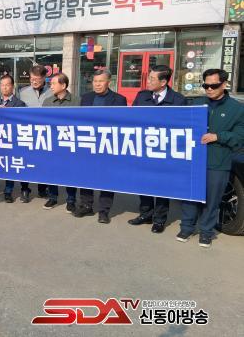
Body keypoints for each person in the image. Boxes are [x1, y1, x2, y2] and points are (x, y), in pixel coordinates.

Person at [178, 69, 244, 248]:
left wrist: (218, 136)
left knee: (213, 199)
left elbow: (240, 136)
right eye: (205, 85)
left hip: (218, 160)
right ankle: (186, 228)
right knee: (190, 195)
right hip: (194, 159)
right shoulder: (196, 104)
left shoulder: (237, 109)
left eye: (213, 86)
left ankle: (206, 232)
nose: (209, 89)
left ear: (224, 84)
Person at [128, 65, 187, 233]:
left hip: (165, 150)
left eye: (152, 79)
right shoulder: (142, 96)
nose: (148, 81)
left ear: (163, 82)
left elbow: (183, 127)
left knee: (162, 184)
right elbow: (132, 119)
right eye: (149, 77)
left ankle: (160, 219)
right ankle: (145, 213)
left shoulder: (178, 100)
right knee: (144, 182)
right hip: (143, 148)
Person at [72, 69, 127, 223]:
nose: (97, 84)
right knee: (86, 175)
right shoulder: (86, 98)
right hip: (88, 143)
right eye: (95, 81)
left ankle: (104, 211)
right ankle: (86, 205)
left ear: (109, 82)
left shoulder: (119, 100)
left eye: (101, 81)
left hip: (108, 144)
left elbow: (122, 123)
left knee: (107, 178)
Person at [0, 74, 28, 203]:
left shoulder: (19, 103)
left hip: (11, 140)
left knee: (9, 165)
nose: (4, 87)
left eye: (7, 85)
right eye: (2, 85)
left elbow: (22, 122)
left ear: (12, 86)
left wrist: (7, 113)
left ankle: (8, 191)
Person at [42, 72, 79, 211]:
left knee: (71, 171)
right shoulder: (47, 102)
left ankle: (71, 199)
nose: (50, 86)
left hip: (69, 143)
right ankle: (52, 197)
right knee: (52, 170)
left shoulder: (77, 101)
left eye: (53, 83)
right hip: (52, 143)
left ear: (63, 85)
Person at [19, 65, 53, 199]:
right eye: (31, 78)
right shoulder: (23, 92)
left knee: (44, 162)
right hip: (27, 133)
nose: (33, 81)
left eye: (37, 79)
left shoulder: (52, 91)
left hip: (45, 133)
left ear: (44, 78)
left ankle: (42, 188)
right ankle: (25, 188)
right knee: (25, 161)